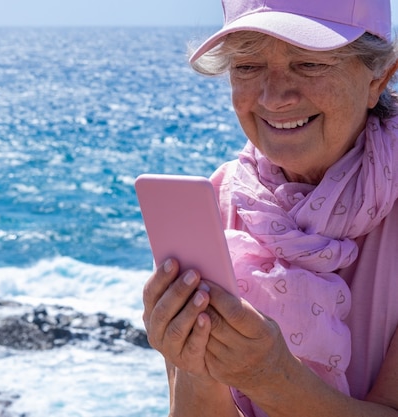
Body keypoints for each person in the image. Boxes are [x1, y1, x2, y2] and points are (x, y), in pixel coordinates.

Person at [141, 0, 398, 416]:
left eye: (310, 64)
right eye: (247, 65)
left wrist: (272, 379)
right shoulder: (220, 197)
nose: (274, 97)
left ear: (378, 79)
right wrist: (198, 370)